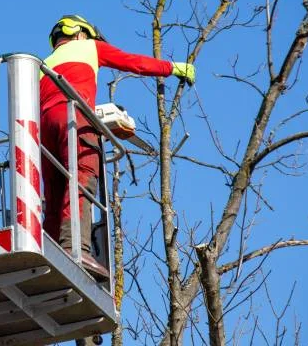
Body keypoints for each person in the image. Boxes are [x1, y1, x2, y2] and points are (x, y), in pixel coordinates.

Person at [40, 14, 195, 279]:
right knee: (81, 180)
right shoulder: (91, 46)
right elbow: (134, 62)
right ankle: (74, 248)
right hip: (74, 117)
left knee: (53, 192)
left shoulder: (42, 64)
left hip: (42, 128)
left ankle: (48, 252)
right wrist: (173, 68)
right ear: (81, 33)